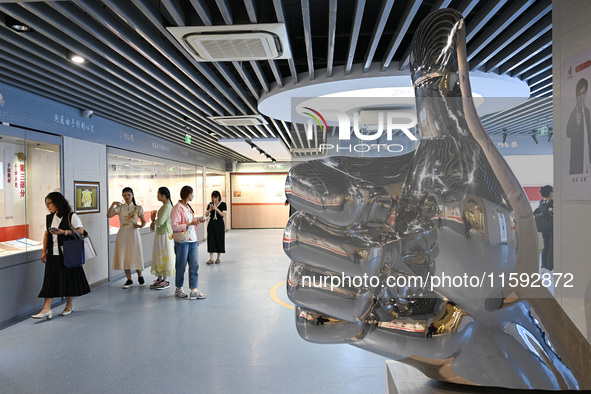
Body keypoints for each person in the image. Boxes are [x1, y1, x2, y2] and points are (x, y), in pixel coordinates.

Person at [33, 192, 90, 319]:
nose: (48, 206)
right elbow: (47, 234)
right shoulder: (49, 217)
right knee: (50, 280)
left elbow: (81, 232)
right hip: (52, 254)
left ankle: (69, 305)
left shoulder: (71, 216)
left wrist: (63, 232)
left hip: (67, 253)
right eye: (46, 204)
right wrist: (44, 251)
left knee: (70, 279)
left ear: (57, 202)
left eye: (49, 203)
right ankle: (46, 309)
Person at [170, 185, 207, 300]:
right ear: (188, 194)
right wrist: (189, 224)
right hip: (182, 241)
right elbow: (174, 226)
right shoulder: (177, 208)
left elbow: (190, 224)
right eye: (192, 193)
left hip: (192, 241)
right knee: (181, 266)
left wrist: (197, 222)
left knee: (194, 265)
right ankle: (179, 289)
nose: (193, 196)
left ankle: (194, 290)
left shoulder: (188, 207)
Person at [107, 187, 146, 288]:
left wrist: (139, 226)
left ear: (132, 195)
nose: (127, 197)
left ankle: (140, 276)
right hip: (123, 234)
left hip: (134, 234)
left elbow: (144, 222)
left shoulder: (138, 208)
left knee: (135, 254)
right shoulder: (120, 208)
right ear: (122, 196)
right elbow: (108, 215)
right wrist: (113, 204)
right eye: (125, 195)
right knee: (124, 255)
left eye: (129, 195)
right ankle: (129, 279)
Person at [149, 187, 174, 290]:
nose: (157, 196)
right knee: (159, 255)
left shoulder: (167, 207)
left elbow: (160, 222)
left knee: (164, 255)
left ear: (163, 196)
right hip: (161, 234)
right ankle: (160, 278)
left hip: (165, 234)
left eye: (158, 194)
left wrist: (153, 220)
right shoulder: (165, 206)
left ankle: (165, 279)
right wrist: (154, 220)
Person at [566, 78, 591, 174]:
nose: (581, 96)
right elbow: (568, 133)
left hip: (587, 160)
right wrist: (576, 124)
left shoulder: (588, 112)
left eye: (583, 93)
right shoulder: (573, 113)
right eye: (579, 93)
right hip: (578, 162)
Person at [205, 190, 226, 264]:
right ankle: (211, 258)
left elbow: (223, 215)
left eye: (216, 198)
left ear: (219, 197)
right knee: (211, 239)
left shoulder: (223, 204)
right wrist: (210, 209)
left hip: (219, 224)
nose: (215, 199)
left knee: (219, 239)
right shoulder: (210, 204)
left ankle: (218, 258)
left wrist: (217, 209)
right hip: (212, 223)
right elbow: (206, 214)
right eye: (213, 198)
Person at [537, 185, 554, 272]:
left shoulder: (541, 202)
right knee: (552, 248)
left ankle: (543, 267)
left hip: (544, 228)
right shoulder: (552, 202)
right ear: (551, 193)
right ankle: (549, 268)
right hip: (551, 228)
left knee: (546, 247)